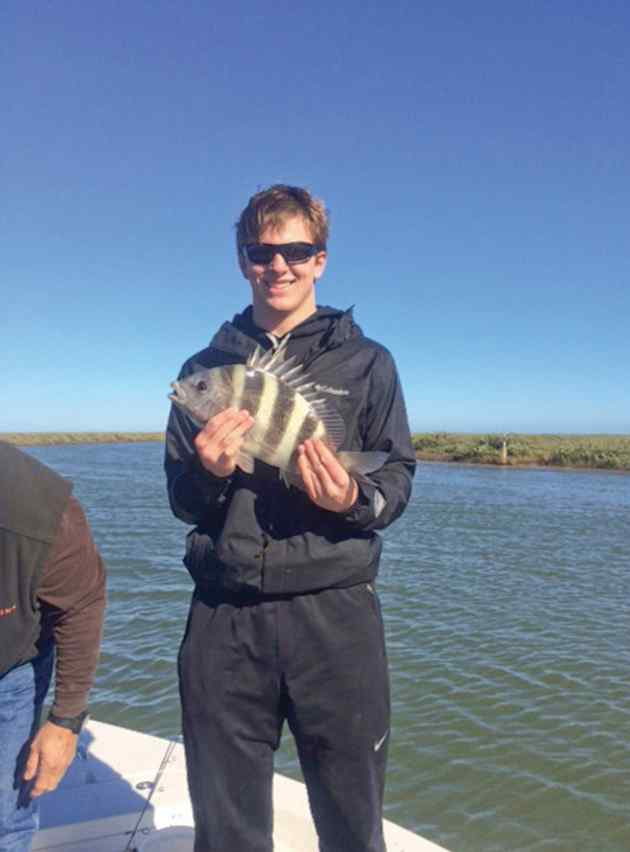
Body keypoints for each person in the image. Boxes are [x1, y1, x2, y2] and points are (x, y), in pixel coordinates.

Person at [165, 184, 415, 852]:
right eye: (262, 252)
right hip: (224, 617)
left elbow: (396, 477)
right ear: (243, 259)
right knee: (226, 829)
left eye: (297, 251)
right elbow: (181, 501)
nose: (279, 266)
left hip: (335, 616)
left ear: (321, 260)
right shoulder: (204, 370)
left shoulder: (368, 363)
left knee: (352, 822)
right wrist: (207, 473)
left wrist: (352, 500)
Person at [0, 442, 106, 852]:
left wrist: (65, 722)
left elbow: (82, 604)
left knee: (6, 820)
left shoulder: (40, 509)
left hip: (11, 668)